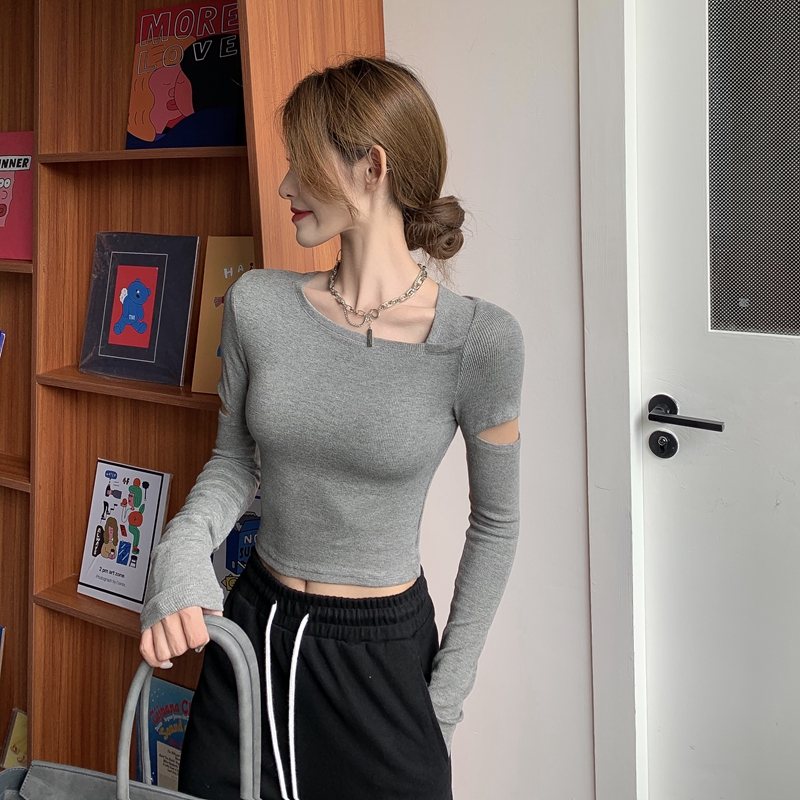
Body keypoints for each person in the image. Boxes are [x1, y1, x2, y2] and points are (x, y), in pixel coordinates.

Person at [139, 56, 524, 800]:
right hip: (253, 633)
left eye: (302, 163)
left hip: (384, 658)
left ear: (371, 166)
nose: (285, 187)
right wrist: (179, 553)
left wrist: (443, 703)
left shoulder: (481, 342)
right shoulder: (256, 305)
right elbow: (233, 463)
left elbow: (497, 525)